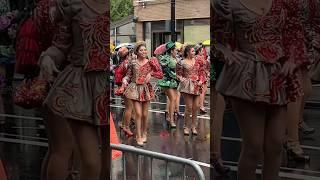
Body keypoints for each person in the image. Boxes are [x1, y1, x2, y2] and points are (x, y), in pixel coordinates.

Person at [213, 0, 308, 179]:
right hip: (247, 75)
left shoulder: (284, 3)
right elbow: (217, 36)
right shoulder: (227, 3)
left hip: (277, 77)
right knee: (253, 147)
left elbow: (295, 33)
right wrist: (224, 51)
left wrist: (292, 58)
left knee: (276, 145)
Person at [39, 0, 109, 179]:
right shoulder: (73, 4)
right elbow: (60, 45)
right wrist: (48, 57)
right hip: (81, 89)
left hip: (110, 91)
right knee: (91, 163)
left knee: (109, 164)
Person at [122, 41, 163, 146]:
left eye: (145, 50)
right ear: (137, 52)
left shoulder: (151, 62)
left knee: (145, 114)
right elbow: (128, 75)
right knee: (138, 114)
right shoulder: (133, 63)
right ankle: (138, 136)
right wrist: (125, 79)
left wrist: (151, 73)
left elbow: (160, 74)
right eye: (141, 50)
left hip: (146, 89)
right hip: (134, 89)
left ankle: (144, 132)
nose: (144, 52)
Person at [176, 45, 206, 136]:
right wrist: (181, 79)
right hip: (187, 86)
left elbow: (202, 72)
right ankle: (186, 127)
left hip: (197, 85)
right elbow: (178, 74)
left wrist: (201, 80)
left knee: (196, 107)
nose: (194, 53)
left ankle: (193, 127)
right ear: (187, 52)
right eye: (192, 51)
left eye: (194, 51)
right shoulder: (182, 62)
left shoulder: (198, 61)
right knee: (189, 107)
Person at [158, 41, 179, 128]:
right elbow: (166, 70)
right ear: (171, 51)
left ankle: (169, 116)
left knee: (173, 100)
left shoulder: (174, 58)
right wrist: (175, 76)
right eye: (175, 50)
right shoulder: (165, 58)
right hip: (167, 81)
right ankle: (171, 119)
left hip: (174, 81)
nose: (177, 52)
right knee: (173, 99)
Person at [115, 47, 134, 136]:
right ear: (128, 55)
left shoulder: (121, 63)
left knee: (127, 107)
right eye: (131, 54)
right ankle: (126, 127)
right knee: (129, 108)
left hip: (123, 86)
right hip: (127, 86)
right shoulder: (127, 63)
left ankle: (123, 124)